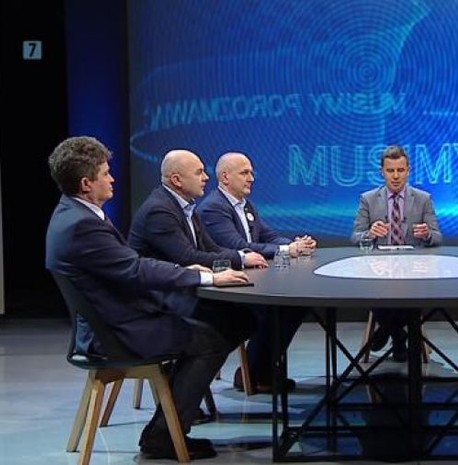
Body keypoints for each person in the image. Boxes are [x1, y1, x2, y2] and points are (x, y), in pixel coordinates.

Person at [45, 136, 251, 460]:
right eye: (105, 173)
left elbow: (129, 265)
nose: (112, 179)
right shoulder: (81, 225)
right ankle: (163, 437)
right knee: (211, 338)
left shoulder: (72, 213)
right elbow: (136, 269)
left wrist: (188, 270)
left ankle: (171, 420)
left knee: (217, 325)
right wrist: (205, 276)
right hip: (115, 332)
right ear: (86, 184)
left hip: (113, 321)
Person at [128, 149, 295, 393]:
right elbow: (187, 257)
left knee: (247, 319)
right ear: (177, 180)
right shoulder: (160, 211)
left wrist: (241, 258)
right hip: (161, 299)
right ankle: (182, 387)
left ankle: (205, 378)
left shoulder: (186, 207)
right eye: (199, 173)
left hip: (183, 290)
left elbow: (212, 249)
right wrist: (241, 257)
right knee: (237, 321)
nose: (206, 177)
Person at [197, 151, 315, 390]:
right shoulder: (213, 208)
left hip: (250, 278)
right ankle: (254, 374)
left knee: (295, 305)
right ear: (225, 177)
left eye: (251, 173)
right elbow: (238, 246)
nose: (251, 178)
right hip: (227, 286)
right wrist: (286, 249)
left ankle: (259, 371)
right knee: (276, 308)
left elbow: (268, 235)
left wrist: (296, 244)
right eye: (244, 173)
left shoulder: (245, 205)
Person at [350, 145, 443, 361]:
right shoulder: (368, 199)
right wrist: (370, 233)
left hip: (414, 272)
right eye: (390, 170)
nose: (395, 176)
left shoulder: (423, 199)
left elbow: (438, 237)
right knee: (379, 288)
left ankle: (386, 331)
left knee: (407, 290)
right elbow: (355, 236)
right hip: (379, 272)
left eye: (400, 170)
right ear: (382, 172)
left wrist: (427, 234)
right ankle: (399, 336)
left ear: (408, 171)